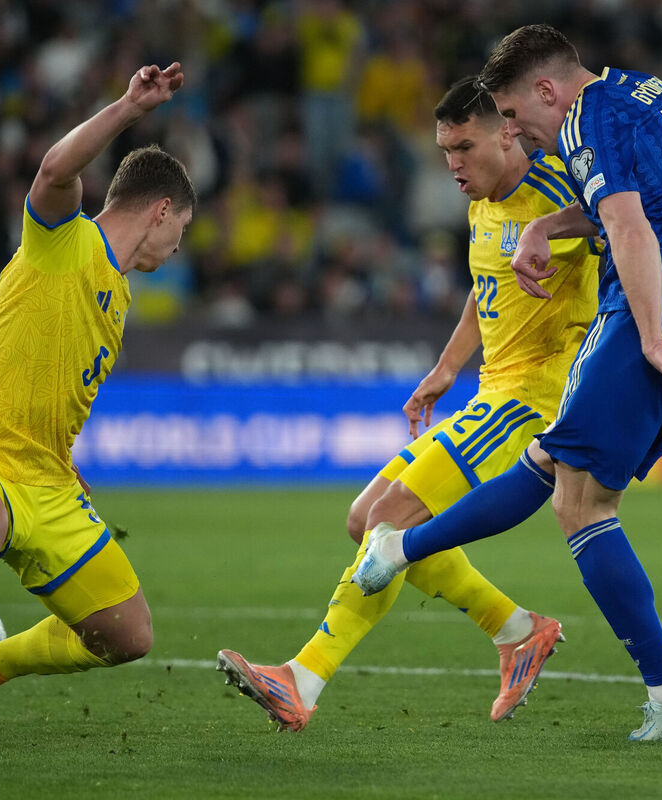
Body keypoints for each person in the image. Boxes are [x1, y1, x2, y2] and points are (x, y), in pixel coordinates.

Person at [352, 25, 662, 742]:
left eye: (511, 116)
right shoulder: (638, 90)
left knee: (575, 503)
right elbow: (645, 198)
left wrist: (655, 339)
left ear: (547, 91)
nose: (515, 132)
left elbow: (631, 231)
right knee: (566, 481)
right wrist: (549, 225)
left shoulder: (585, 119)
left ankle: (403, 550)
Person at [217, 76, 599, 731]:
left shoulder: (557, 191)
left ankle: (301, 680)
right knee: (364, 520)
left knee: (387, 520)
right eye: (444, 149)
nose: (453, 164)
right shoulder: (480, 203)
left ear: (508, 133)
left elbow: (618, 213)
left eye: (464, 147)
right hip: (491, 393)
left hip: (535, 399)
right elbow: (486, 291)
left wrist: (555, 226)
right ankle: (516, 630)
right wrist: (445, 368)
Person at [0, 63, 196, 763]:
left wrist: (67, 467)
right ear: (163, 211)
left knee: (127, 635)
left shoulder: (118, 299)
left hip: (47, 482)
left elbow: (57, 392)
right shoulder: (64, 242)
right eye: (182, 233)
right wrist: (127, 109)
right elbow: (54, 168)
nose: (178, 252)